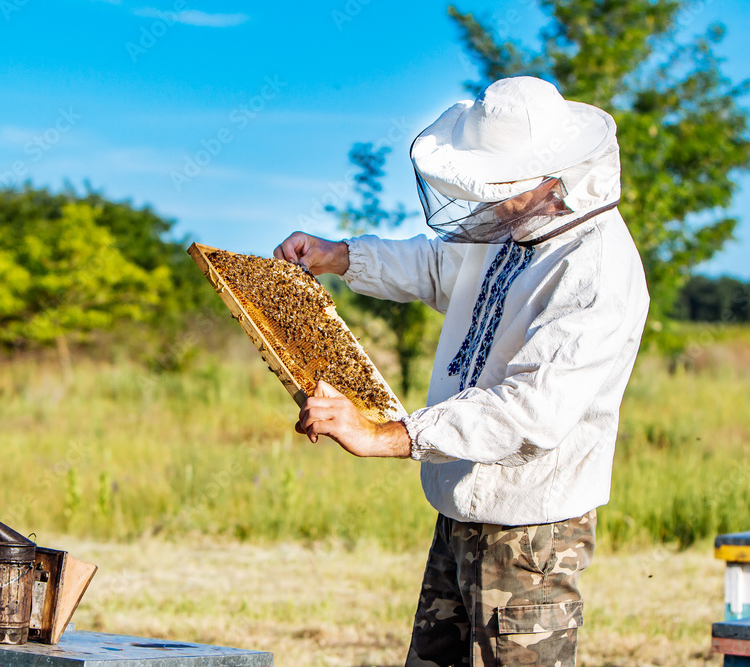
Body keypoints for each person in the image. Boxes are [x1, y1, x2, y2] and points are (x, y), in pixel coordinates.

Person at [273, 76, 649, 666]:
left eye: (499, 188)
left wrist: (387, 434)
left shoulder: (594, 272)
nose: (488, 204)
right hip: (461, 509)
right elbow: (442, 266)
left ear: (554, 175)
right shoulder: (517, 226)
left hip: (532, 529)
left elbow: (529, 411)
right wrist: (340, 254)